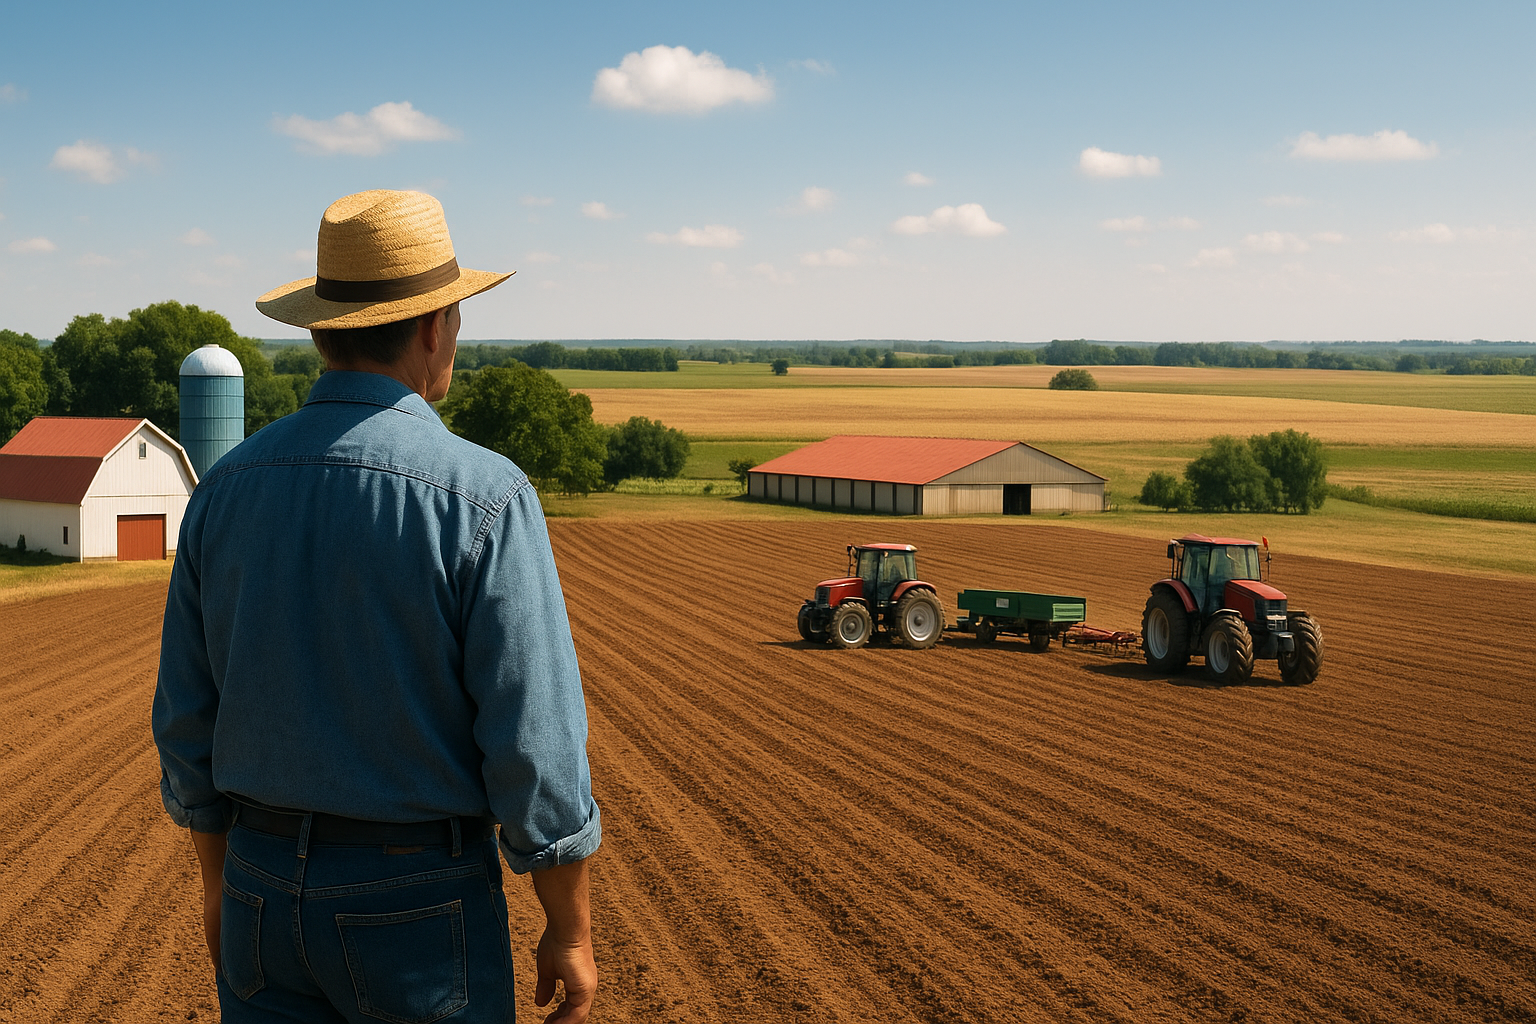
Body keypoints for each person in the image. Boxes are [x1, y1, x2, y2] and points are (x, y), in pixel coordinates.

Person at [152, 189, 600, 1023]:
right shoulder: (485, 495)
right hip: (417, 902)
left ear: (322, 330)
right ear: (433, 327)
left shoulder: (222, 489)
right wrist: (568, 927)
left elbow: (186, 717)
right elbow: (534, 741)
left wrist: (220, 884)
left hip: (256, 888)